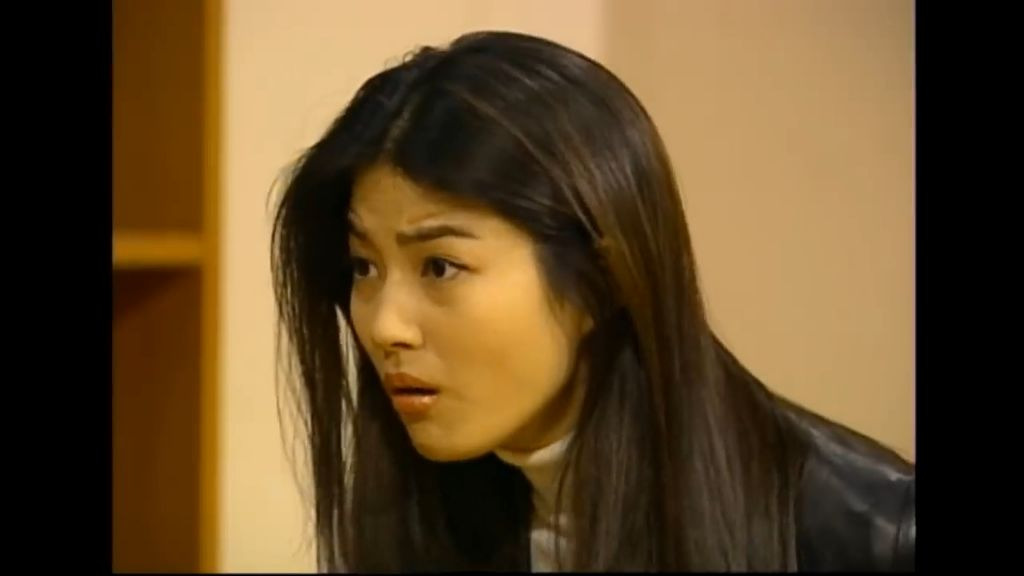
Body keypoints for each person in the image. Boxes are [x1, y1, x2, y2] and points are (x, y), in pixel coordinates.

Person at [270, 30, 915, 572]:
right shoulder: (424, 505)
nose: (384, 325)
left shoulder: (872, 535)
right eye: (364, 267)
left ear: (601, 278)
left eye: (440, 267)